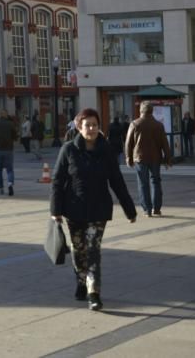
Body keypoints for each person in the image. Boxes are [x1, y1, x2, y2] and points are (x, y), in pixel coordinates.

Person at [50, 108, 137, 312]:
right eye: (87, 125)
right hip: (74, 209)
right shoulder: (68, 150)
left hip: (99, 210)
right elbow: (57, 181)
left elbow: (117, 181)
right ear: (79, 127)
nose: (91, 129)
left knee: (92, 250)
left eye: (95, 125)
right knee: (78, 250)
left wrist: (129, 208)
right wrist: (56, 210)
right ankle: (81, 281)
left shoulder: (105, 150)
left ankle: (93, 292)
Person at [125, 101, 173, 217]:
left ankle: (147, 209)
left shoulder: (135, 124)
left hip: (140, 158)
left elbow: (128, 143)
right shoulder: (158, 125)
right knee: (156, 182)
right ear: (152, 111)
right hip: (155, 158)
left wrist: (128, 158)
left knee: (143, 183)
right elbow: (164, 144)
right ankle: (156, 208)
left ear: (141, 110)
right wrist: (168, 159)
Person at [0, 110, 17, 196]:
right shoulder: (10, 124)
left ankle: (0, 188)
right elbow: (15, 136)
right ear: (6, 115)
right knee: (9, 169)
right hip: (9, 149)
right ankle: (10, 183)